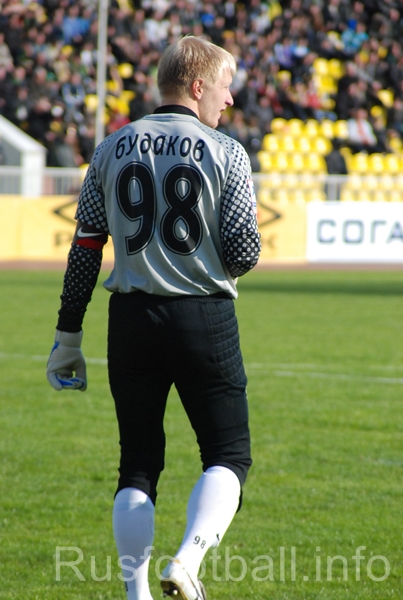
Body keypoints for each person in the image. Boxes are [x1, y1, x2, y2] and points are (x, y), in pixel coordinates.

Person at [46, 35, 261, 600]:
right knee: (228, 454)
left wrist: (68, 334)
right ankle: (188, 561)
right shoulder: (227, 151)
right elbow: (244, 251)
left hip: (130, 319)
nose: (230, 99)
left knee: (137, 465)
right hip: (204, 316)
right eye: (224, 86)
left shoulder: (110, 148)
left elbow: (85, 248)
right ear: (198, 85)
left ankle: (135, 593)